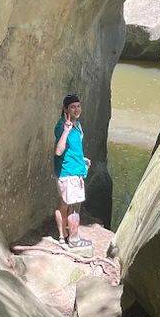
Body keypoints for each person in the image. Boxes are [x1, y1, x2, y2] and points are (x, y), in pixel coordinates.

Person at [53, 93, 91, 248]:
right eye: (72, 107)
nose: (76, 109)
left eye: (78, 106)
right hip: (69, 174)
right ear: (65, 109)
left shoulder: (77, 125)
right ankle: (74, 241)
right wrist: (66, 131)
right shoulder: (63, 126)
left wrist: (82, 160)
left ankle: (62, 238)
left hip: (71, 170)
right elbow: (59, 151)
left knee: (63, 204)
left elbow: (72, 149)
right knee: (74, 207)